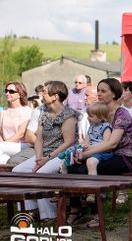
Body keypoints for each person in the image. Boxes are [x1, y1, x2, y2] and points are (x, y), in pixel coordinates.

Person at [67, 78, 132, 227]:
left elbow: (112, 143)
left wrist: (86, 154)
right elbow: (91, 138)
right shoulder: (98, 112)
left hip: (122, 157)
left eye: (103, 91)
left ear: (114, 94)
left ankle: (96, 216)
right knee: (73, 166)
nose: (99, 93)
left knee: (87, 169)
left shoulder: (121, 114)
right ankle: (76, 207)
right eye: (98, 90)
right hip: (103, 154)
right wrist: (81, 152)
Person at [12, 81, 78, 222]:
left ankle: (50, 215)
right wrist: (38, 158)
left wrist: (46, 158)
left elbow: (69, 142)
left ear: (55, 96)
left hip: (63, 154)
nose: (42, 94)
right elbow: (39, 140)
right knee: (18, 171)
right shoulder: (45, 114)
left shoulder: (68, 115)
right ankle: (31, 209)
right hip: (44, 154)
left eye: (45, 92)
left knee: (41, 173)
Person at [61, 102, 113, 203]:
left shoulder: (106, 126)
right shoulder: (91, 127)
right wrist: (80, 148)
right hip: (90, 150)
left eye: (91, 116)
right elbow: (86, 141)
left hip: (101, 152)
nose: (88, 118)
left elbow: (106, 143)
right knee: (66, 162)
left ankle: (92, 191)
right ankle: (64, 188)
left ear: (101, 117)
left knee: (91, 162)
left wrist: (91, 147)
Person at [0, 81, 32, 164]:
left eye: (11, 91)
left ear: (20, 94)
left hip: (21, 145)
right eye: (6, 91)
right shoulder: (4, 110)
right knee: (4, 159)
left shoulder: (27, 111)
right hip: (4, 146)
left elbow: (20, 134)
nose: (7, 93)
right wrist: (3, 143)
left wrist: (4, 144)